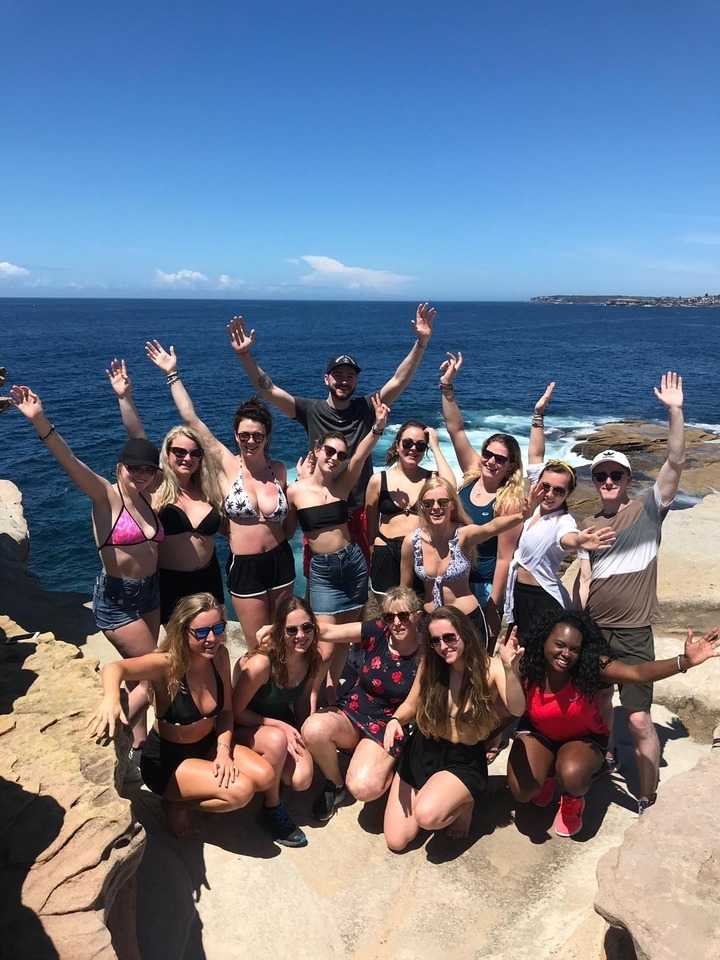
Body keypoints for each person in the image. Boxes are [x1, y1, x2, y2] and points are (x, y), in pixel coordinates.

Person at [10, 384, 163, 778]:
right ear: (119, 468)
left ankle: (140, 748)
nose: (142, 474)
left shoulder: (148, 493)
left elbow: (140, 441)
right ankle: (111, 738)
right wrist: (39, 420)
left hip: (150, 594)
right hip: (119, 599)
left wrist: (124, 398)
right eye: (134, 468)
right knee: (155, 675)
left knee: (139, 673)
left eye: (148, 469)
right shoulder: (105, 496)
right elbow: (69, 460)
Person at [226, 303, 436, 562]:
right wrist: (245, 355)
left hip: (359, 509)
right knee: (317, 577)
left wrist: (421, 343)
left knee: (364, 577)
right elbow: (269, 390)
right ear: (326, 379)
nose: (344, 380)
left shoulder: (367, 407)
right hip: (319, 510)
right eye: (338, 375)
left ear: (356, 381)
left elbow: (399, 380)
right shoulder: (310, 410)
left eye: (350, 376)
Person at [574, 371, 686, 815]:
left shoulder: (648, 509)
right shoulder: (588, 528)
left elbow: (675, 463)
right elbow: (584, 580)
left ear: (627, 475)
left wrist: (675, 412)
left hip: (635, 633)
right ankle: (602, 755)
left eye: (615, 473)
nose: (607, 480)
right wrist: (579, 623)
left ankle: (646, 794)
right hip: (597, 630)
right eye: (600, 474)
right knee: (600, 701)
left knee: (639, 719)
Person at [507, 610, 720, 836]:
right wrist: (507, 665)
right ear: (544, 641)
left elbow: (636, 672)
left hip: (583, 738)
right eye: (559, 644)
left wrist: (684, 661)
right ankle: (547, 775)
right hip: (539, 732)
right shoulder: (528, 663)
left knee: (573, 774)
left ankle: (573, 798)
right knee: (523, 789)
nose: (566, 654)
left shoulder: (591, 666)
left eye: (574, 649)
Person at [145, 340, 295, 650]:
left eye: (257, 435)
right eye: (243, 435)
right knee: (257, 645)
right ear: (236, 435)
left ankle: (285, 698)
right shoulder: (227, 465)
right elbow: (192, 420)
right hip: (245, 566)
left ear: (267, 437)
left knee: (283, 638)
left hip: (281, 560)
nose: (249, 440)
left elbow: (289, 519)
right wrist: (172, 375)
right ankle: (255, 699)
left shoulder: (278, 470)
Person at [87, 592, 274, 836]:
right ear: (182, 631)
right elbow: (115, 668)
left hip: (207, 746)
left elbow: (226, 711)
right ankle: (175, 805)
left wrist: (223, 752)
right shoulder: (166, 664)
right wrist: (111, 698)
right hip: (169, 762)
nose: (212, 638)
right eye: (201, 632)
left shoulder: (219, 656)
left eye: (218, 628)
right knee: (242, 791)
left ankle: (203, 793)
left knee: (266, 776)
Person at [382, 606, 527, 851]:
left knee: (427, 816)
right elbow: (411, 704)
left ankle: (464, 805)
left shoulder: (491, 669)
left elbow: (517, 708)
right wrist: (396, 720)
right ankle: (434, 792)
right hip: (424, 749)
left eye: (449, 637)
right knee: (396, 841)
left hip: (462, 760)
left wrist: (511, 670)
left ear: (465, 634)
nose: (443, 646)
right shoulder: (432, 665)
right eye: (435, 641)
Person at [285, 394, 390, 709]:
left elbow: (361, 455)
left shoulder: (342, 485)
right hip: (325, 572)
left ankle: (331, 688)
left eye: (340, 454)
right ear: (316, 451)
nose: (335, 457)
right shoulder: (295, 490)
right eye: (328, 450)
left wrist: (378, 428)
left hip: (353, 564)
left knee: (344, 637)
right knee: (325, 645)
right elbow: (286, 531)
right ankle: (309, 696)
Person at [106, 358, 225, 623]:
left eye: (194, 453)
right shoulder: (157, 486)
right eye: (179, 452)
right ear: (167, 455)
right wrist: (125, 397)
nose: (187, 458)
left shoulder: (207, 490)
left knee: (213, 641)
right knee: (178, 651)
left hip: (210, 578)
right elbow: (137, 438)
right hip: (172, 583)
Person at [300, 586, 424, 822]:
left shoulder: (425, 651)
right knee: (312, 729)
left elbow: (414, 702)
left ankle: (389, 763)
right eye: (390, 617)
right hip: (354, 709)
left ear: (417, 615)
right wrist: (280, 629)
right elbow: (328, 630)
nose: (396, 623)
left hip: (389, 723)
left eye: (404, 616)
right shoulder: (378, 632)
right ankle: (335, 784)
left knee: (363, 788)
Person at [504, 382, 616, 638]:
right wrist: (538, 414)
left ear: (568, 495)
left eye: (559, 491)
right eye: (546, 486)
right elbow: (535, 454)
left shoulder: (562, 520)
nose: (550, 494)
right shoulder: (535, 503)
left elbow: (567, 538)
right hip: (519, 597)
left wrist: (580, 541)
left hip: (544, 600)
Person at [438, 351, 526, 643]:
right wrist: (447, 387)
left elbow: (504, 558)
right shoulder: (472, 474)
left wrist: (493, 606)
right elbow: (456, 430)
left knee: (475, 652)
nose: (490, 461)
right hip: (451, 578)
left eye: (499, 459)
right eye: (487, 454)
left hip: (481, 586)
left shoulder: (508, 500)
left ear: (511, 465)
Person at [400, 476, 538, 649]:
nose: (435, 508)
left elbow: (490, 527)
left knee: (473, 675)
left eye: (442, 502)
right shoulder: (411, 542)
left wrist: (521, 516)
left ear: (452, 504)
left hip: (466, 621)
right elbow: (404, 591)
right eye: (428, 503)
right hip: (431, 623)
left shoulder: (464, 535)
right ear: (421, 506)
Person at [232, 597, 320, 847]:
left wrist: (307, 737)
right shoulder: (261, 664)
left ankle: (271, 769)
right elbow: (236, 712)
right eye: (291, 630)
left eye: (306, 627)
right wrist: (278, 725)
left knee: (302, 779)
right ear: (280, 631)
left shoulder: (311, 658)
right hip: (246, 727)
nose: (300, 635)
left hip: (278, 726)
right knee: (277, 738)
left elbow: (302, 703)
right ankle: (271, 807)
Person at [365, 421, 455, 602]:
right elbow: (371, 524)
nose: (413, 449)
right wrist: (375, 552)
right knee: (389, 612)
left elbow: (451, 488)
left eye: (421, 445)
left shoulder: (431, 479)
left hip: (421, 552)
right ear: (397, 444)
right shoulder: (378, 480)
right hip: (386, 551)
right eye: (407, 443)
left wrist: (436, 448)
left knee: (419, 610)